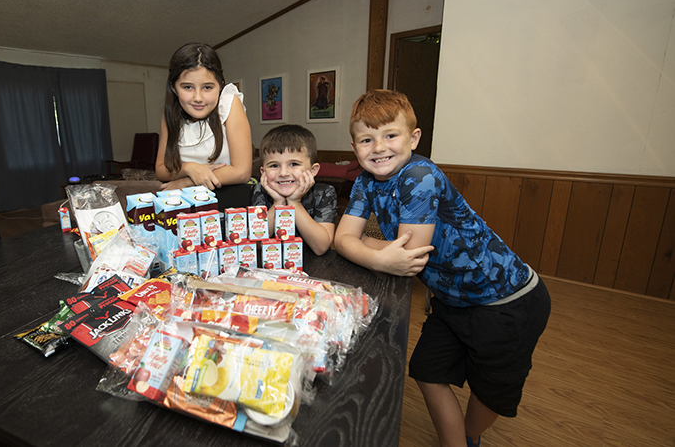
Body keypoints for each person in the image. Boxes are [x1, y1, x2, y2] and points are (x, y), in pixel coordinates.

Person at [335, 89, 551, 447]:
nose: (378, 147)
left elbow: (409, 255)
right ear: (354, 146)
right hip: (451, 299)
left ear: (413, 137)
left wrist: (365, 246)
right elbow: (343, 239)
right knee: (426, 370)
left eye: (390, 135)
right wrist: (376, 256)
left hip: (505, 301)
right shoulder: (364, 182)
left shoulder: (421, 174)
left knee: (489, 392)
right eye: (366, 140)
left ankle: (469, 437)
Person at [155, 43, 252, 191]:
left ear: (220, 85)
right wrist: (189, 168)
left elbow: (242, 172)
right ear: (174, 87)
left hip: (228, 202)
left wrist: (186, 182)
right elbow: (161, 169)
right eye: (187, 87)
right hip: (186, 205)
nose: (198, 98)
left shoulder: (230, 103)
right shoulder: (170, 113)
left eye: (207, 87)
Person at [251, 125, 336, 255]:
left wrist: (294, 202)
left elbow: (321, 247)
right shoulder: (261, 190)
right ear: (263, 172)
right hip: (272, 262)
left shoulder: (324, 192)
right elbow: (255, 243)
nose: (284, 173)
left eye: (294, 164)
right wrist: (277, 204)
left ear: (313, 171)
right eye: (274, 165)